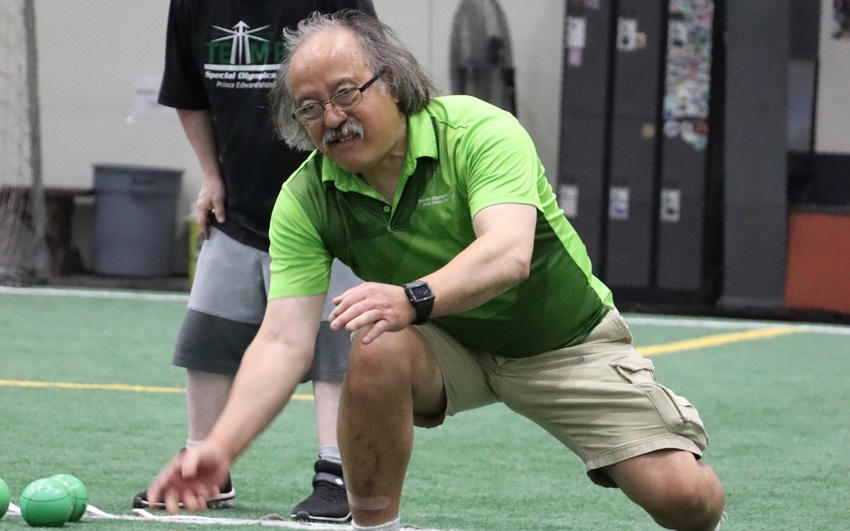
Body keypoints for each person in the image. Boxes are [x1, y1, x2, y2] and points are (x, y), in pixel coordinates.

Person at [146, 11, 726, 531]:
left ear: (393, 83)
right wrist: (221, 447)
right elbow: (281, 339)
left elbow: (508, 254)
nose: (332, 117)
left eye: (346, 92)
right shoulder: (306, 197)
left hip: (562, 344)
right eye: (309, 107)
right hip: (449, 346)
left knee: (685, 502)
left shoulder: (477, 131)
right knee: (375, 341)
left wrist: (411, 299)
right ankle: (375, 528)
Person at [131, 1, 377, 523]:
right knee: (207, 337)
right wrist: (210, 174)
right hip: (239, 206)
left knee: (337, 342)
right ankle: (205, 464)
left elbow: (373, 86)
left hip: (329, 202)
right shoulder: (192, 4)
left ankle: (337, 472)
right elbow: (188, 93)